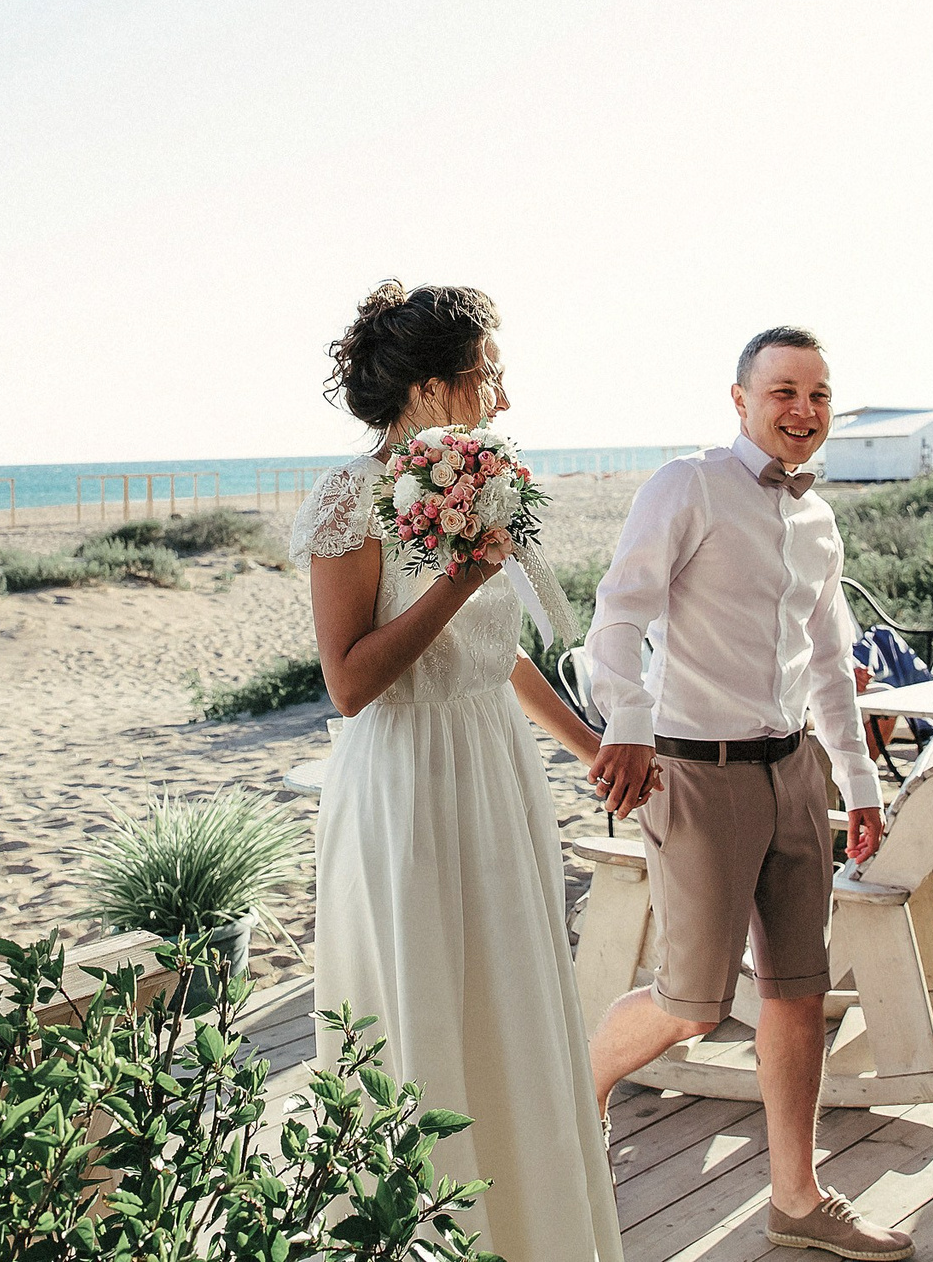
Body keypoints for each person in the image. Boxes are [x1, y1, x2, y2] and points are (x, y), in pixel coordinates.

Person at [295, 280, 627, 1262]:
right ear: (431, 388)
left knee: (515, 1006)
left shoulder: (481, 482)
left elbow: (498, 649)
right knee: (425, 1008)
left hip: (494, 770)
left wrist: (588, 745)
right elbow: (349, 682)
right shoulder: (349, 498)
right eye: (489, 375)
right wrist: (457, 579)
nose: (503, 398)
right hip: (404, 781)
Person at [581, 325, 913, 1262]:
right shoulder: (685, 486)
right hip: (695, 773)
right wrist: (628, 718)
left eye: (819, 394)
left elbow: (830, 664)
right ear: (740, 400)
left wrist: (857, 780)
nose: (803, 410)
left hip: (794, 771)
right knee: (693, 1003)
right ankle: (575, 1095)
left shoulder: (820, 521)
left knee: (799, 990)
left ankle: (797, 1200)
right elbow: (619, 616)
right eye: (783, 391)